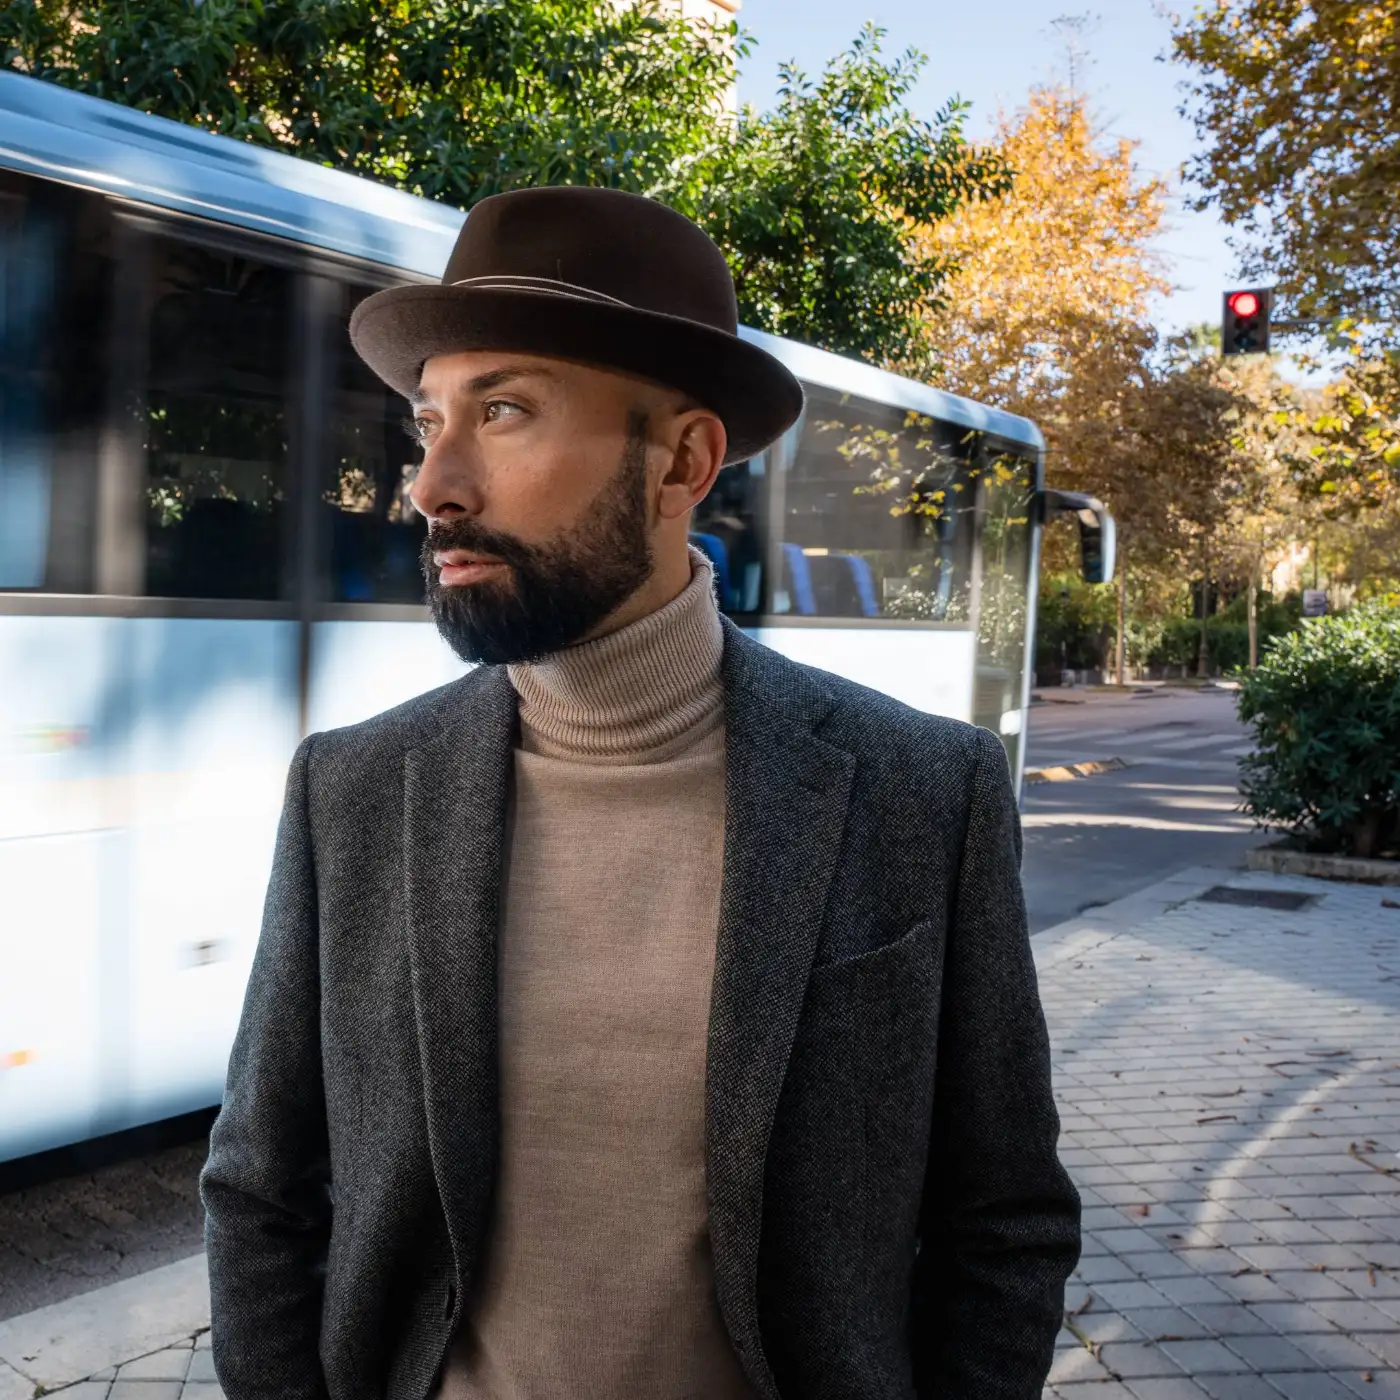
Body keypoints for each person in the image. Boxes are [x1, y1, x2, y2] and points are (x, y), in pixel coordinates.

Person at [201, 186, 1080, 1400]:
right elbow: (261, 1189)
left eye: (503, 411)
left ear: (681, 461)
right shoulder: (350, 790)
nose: (433, 485)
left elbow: (1004, 1217)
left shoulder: (923, 792)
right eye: (428, 422)